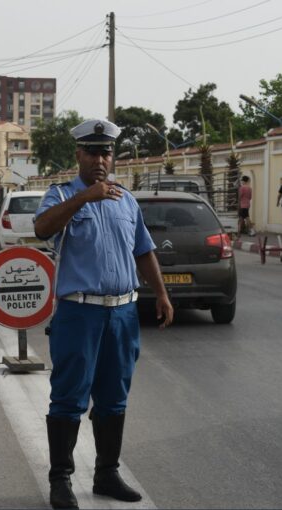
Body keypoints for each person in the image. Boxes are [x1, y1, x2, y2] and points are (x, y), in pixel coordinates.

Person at [34, 119, 174, 509]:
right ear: (78, 154)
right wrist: (84, 198)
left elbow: (143, 250)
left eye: (106, 153)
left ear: (112, 157)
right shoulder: (61, 195)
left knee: (114, 397)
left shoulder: (126, 200)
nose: (100, 160)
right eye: (92, 152)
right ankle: (60, 480)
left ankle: (107, 474)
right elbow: (42, 228)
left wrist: (161, 294)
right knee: (68, 397)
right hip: (79, 313)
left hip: (122, 313)